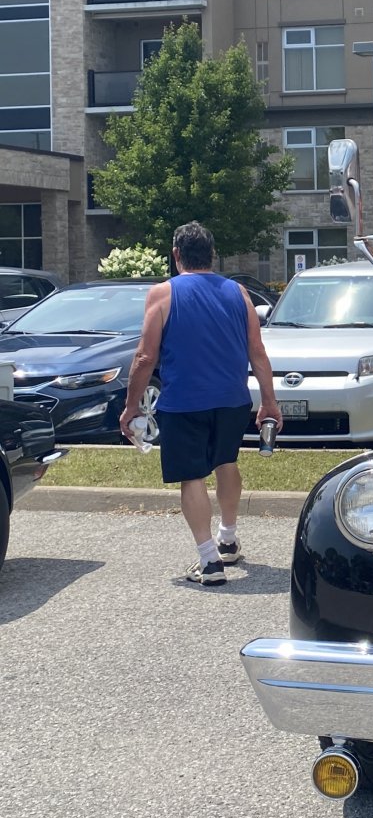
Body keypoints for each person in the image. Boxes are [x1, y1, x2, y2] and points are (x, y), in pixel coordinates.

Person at [121, 222, 283, 586]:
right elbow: (257, 352)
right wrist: (269, 402)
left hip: (183, 403)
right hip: (232, 400)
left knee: (192, 476)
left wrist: (132, 406)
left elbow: (146, 357)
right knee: (226, 462)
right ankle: (228, 538)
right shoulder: (238, 293)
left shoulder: (162, 294)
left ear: (176, 255)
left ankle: (210, 562)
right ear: (212, 254)